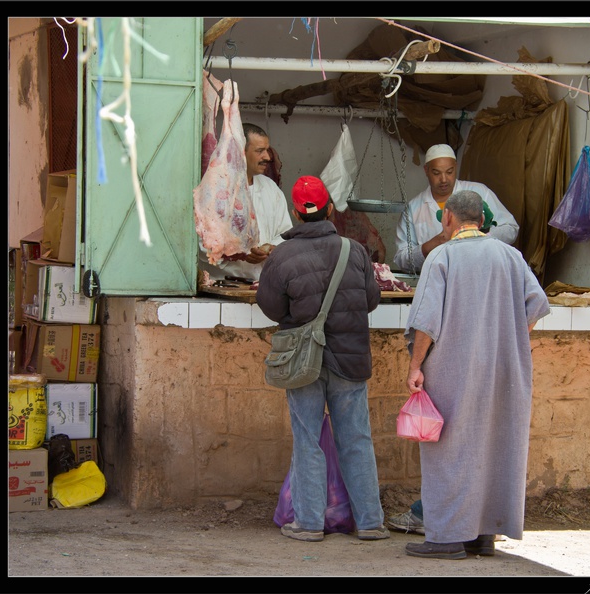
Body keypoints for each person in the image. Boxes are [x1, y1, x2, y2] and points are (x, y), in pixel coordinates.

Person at [401, 189, 550, 560]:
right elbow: (537, 305)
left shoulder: (442, 256)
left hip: (452, 369)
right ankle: (483, 535)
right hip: (504, 369)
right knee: (494, 446)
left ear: (448, 219)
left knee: (449, 450)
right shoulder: (511, 257)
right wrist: (508, 339)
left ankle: (447, 538)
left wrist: (415, 366)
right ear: (482, 221)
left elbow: (426, 323)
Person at [256, 175, 389, 543]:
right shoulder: (355, 250)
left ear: (297, 215)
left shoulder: (281, 256)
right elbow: (371, 300)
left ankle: (309, 523)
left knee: (307, 438)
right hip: (350, 360)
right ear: (330, 209)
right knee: (357, 439)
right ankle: (370, 522)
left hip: (303, 362)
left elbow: (270, 306)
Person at [393, 144, 519, 274]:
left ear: (456, 167)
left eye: (449, 172)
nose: (443, 179)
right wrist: (432, 244)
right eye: (436, 173)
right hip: (436, 281)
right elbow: (401, 259)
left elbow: (511, 228)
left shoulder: (480, 192)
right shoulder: (413, 209)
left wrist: (479, 239)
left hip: (479, 274)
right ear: (426, 170)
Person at [198, 123, 293, 281]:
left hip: (261, 285)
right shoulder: (214, 188)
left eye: (267, 150)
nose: (267, 157)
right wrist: (239, 254)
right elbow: (201, 243)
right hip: (222, 285)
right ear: (241, 152)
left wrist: (272, 249)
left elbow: (284, 233)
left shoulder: (270, 188)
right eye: (259, 151)